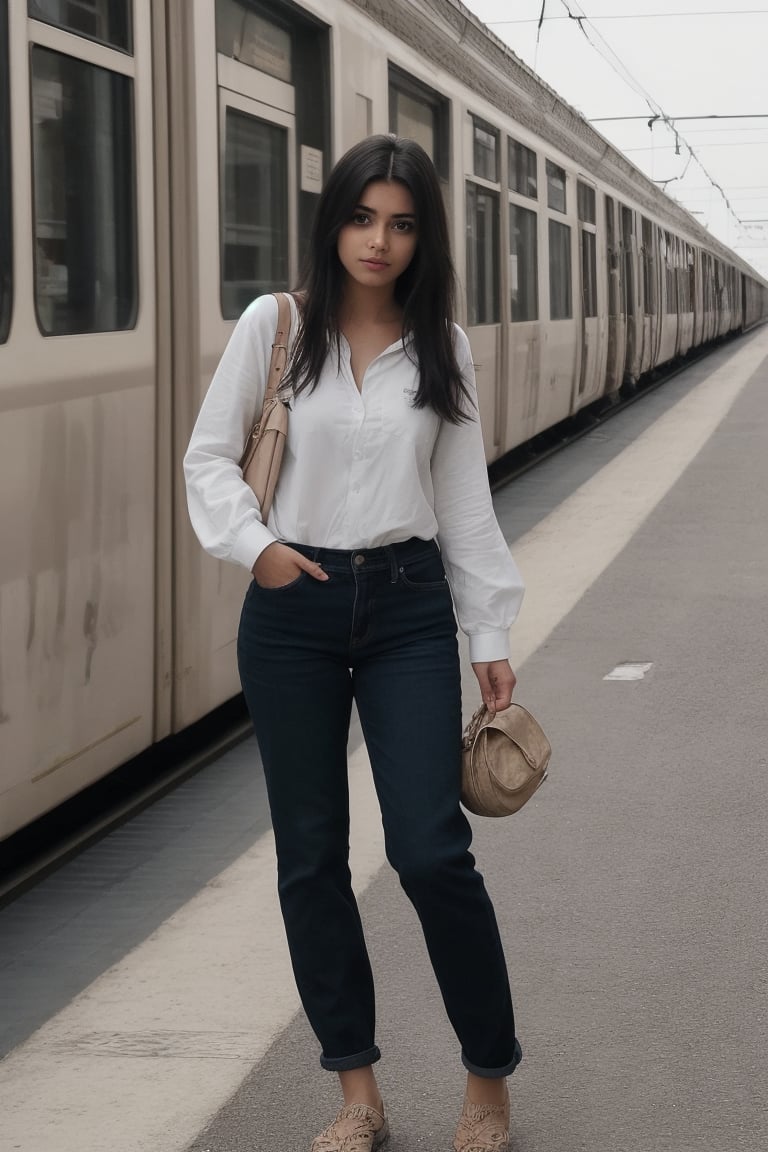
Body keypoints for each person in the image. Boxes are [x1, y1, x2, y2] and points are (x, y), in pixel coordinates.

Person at [184, 134, 525, 1152]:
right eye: (363, 216)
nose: (380, 240)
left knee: (431, 852)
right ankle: (359, 1094)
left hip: (411, 605)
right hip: (292, 610)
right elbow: (208, 458)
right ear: (332, 220)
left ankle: (489, 1082)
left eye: (403, 223)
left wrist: (489, 630)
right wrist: (258, 548)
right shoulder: (276, 326)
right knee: (310, 861)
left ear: (425, 237)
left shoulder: (444, 347)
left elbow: (463, 499)